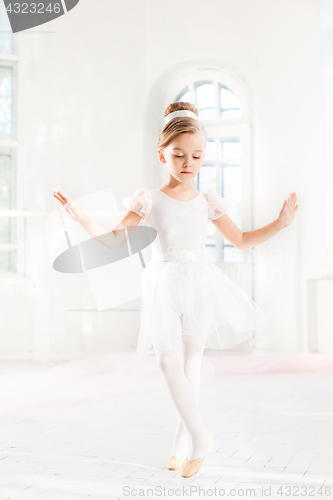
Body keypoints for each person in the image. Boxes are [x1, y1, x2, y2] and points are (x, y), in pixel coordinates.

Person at [53, 102, 298, 478]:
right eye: (179, 154)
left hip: (200, 283)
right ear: (161, 154)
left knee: (191, 367)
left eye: (196, 156)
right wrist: (81, 217)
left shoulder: (207, 201)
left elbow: (243, 240)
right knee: (169, 363)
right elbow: (116, 242)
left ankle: (182, 447)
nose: (188, 163)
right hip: (163, 283)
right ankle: (201, 438)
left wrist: (280, 224)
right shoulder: (148, 198)